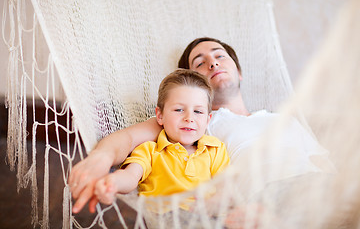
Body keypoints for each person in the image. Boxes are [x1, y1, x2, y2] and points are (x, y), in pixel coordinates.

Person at [69, 37, 334, 215]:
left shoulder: (283, 118)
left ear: (239, 72)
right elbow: (127, 139)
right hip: (273, 200)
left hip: (324, 189)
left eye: (220, 55)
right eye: (200, 62)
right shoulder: (196, 123)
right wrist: (101, 159)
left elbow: (323, 162)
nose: (213, 62)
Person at [93, 69, 229, 205]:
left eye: (198, 111)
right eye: (179, 110)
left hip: (205, 218)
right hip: (162, 218)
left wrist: (212, 204)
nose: (189, 118)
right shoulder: (150, 149)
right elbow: (130, 176)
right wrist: (113, 183)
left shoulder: (215, 149)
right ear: (160, 116)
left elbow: (226, 188)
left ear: (207, 120)